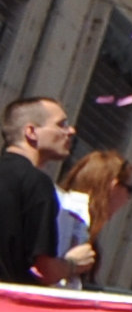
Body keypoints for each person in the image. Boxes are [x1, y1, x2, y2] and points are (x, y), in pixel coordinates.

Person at [0, 100, 79, 290]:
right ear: (31, 132)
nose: (71, 131)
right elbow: (45, 269)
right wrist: (73, 264)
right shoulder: (36, 183)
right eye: (61, 124)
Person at [51, 150, 126, 291]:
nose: (127, 199)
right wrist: (71, 265)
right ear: (114, 186)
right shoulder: (64, 216)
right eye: (130, 189)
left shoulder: (90, 237)